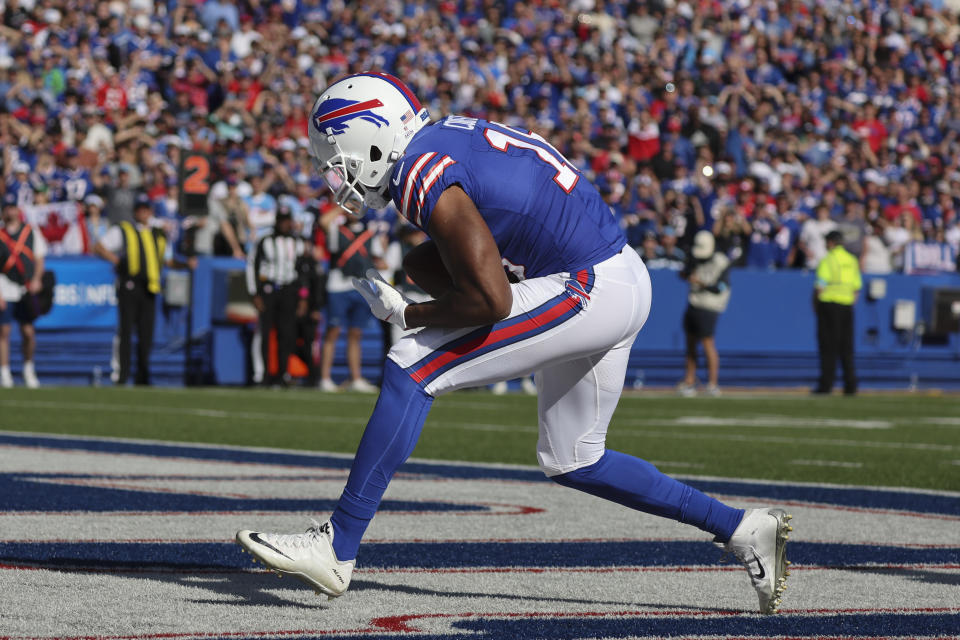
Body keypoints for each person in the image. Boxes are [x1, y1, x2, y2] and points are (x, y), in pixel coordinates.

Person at [236, 73, 792, 615]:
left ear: (371, 138)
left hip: (587, 284)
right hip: (618, 274)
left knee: (412, 363)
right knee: (574, 458)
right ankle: (741, 528)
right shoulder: (441, 139)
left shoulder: (420, 170)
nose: (336, 180)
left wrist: (409, 312)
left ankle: (337, 547)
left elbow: (492, 301)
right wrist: (422, 287)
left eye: (337, 164)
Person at [92, 193, 170, 386]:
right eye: (140, 209)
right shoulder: (125, 230)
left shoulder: (157, 234)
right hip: (129, 285)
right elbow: (100, 247)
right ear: (135, 212)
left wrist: (185, 264)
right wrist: (118, 261)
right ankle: (122, 375)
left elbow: (167, 259)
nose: (144, 213)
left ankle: (143, 375)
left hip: (150, 287)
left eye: (147, 209)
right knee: (126, 331)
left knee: (146, 334)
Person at [317, 210, 384, 392]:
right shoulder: (336, 229)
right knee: (333, 330)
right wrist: (341, 207)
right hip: (338, 286)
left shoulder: (370, 232)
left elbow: (378, 256)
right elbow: (323, 220)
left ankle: (355, 378)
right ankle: (325, 378)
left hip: (362, 286)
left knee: (356, 333)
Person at [246, 205, 309, 387]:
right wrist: (254, 293)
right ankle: (264, 375)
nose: (284, 224)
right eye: (281, 220)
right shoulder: (264, 240)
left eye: (286, 220)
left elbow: (303, 271)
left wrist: (303, 297)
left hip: (289, 290)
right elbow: (252, 266)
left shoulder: (297, 242)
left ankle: (282, 374)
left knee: (286, 334)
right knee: (265, 334)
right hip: (269, 290)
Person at [677, 230, 732, 397]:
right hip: (694, 303)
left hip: (710, 306)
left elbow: (720, 288)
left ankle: (712, 383)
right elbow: (682, 273)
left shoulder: (721, 262)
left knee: (708, 344)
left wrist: (699, 282)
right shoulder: (694, 257)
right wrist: (686, 273)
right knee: (690, 344)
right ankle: (689, 381)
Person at [0, 192, 46, 388]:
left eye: (13, 207)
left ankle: (28, 368)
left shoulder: (30, 232)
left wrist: (36, 279)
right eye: (7, 208)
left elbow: (39, 258)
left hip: (25, 286)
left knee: (28, 331)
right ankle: (5, 372)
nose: (11, 211)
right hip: (5, 284)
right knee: (4, 330)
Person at [813, 230, 862, 396]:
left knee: (828, 348)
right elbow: (857, 289)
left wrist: (816, 306)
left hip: (829, 304)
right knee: (847, 348)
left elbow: (820, 286)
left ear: (832, 242)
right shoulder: (852, 260)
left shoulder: (828, 260)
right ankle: (851, 385)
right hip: (847, 306)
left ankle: (826, 385)